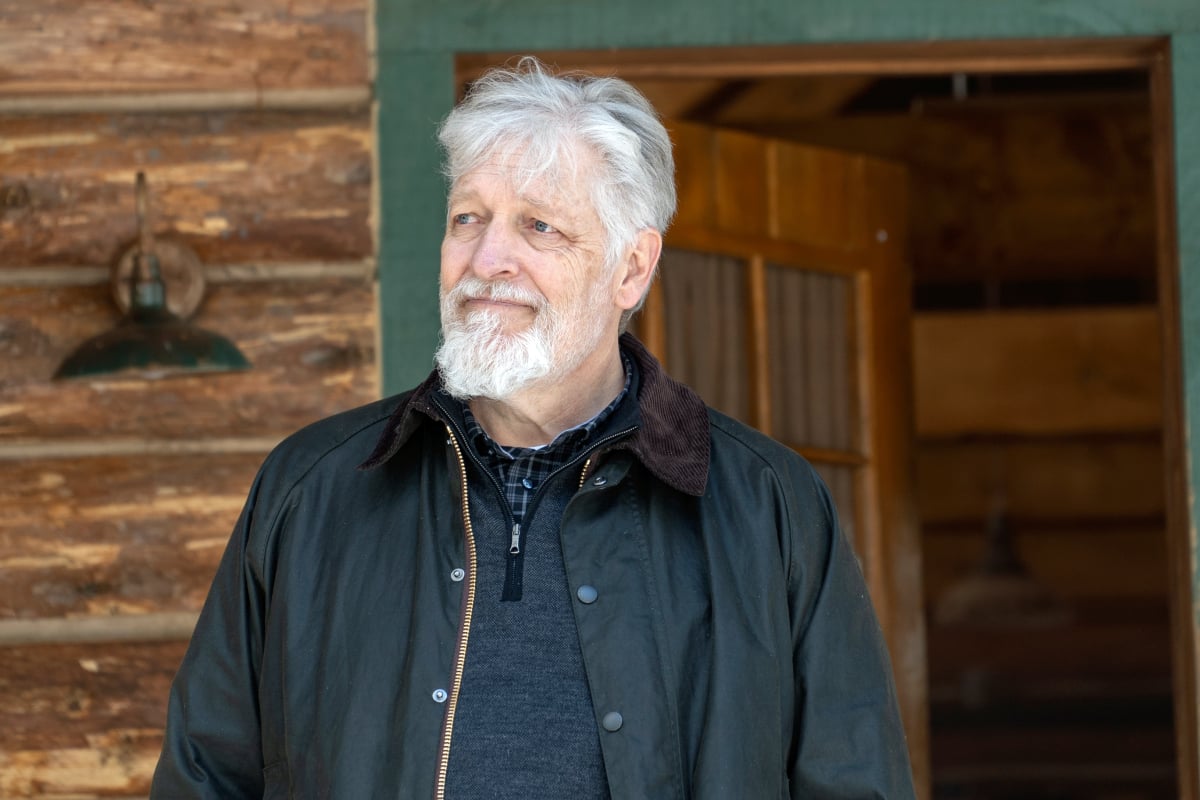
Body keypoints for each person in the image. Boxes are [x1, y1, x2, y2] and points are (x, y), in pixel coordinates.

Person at [151, 57, 916, 799]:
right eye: (469, 218)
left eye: (540, 226)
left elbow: (854, 782)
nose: (489, 258)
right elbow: (206, 777)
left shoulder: (767, 505)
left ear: (631, 268)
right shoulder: (312, 486)